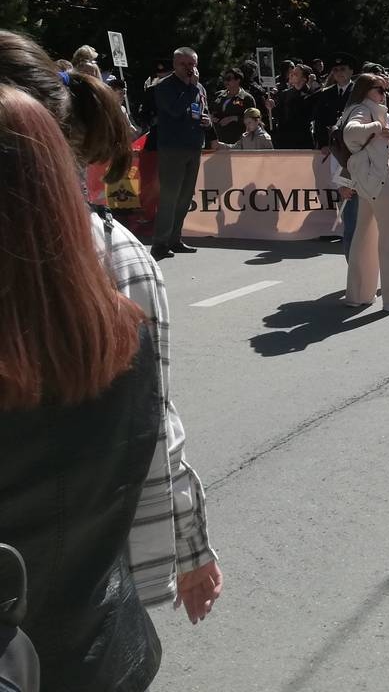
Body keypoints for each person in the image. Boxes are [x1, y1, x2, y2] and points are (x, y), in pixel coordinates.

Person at [0, 33, 223, 642]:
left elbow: (151, 417)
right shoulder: (120, 254)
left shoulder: (116, 254)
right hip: (87, 610)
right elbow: (154, 423)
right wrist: (189, 542)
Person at [339, 75, 389, 312]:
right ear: (366, 90)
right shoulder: (365, 109)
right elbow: (351, 134)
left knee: (365, 236)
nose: (384, 94)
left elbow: (364, 140)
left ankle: (359, 294)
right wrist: (377, 128)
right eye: (380, 89)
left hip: (367, 178)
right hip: (378, 177)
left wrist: (384, 135)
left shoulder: (358, 108)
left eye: (385, 90)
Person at [150, 46, 210, 260]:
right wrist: (191, 88)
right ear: (175, 65)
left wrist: (207, 121)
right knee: (170, 197)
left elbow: (203, 111)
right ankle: (160, 243)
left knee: (185, 197)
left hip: (193, 147)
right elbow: (174, 111)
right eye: (184, 64)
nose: (189, 68)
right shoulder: (164, 86)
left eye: (192, 64)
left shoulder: (200, 88)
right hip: (173, 149)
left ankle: (175, 238)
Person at [309, 53, 355, 149]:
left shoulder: (358, 92)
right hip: (330, 145)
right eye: (335, 70)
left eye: (343, 69)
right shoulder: (326, 93)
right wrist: (323, 144)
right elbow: (319, 121)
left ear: (351, 71)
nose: (339, 73)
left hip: (352, 145)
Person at [270, 63, 314, 148]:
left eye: (295, 74)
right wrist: (272, 107)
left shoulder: (311, 95)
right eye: (292, 73)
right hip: (284, 139)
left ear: (304, 79)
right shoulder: (285, 94)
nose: (291, 75)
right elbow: (279, 115)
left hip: (302, 140)